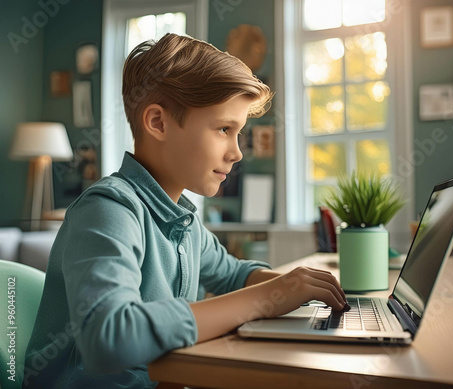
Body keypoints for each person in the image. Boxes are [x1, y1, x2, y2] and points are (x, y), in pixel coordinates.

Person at [23, 33, 348, 389]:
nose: (237, 152)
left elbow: (235, 275)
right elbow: (109, 337)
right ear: (158, 122)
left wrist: (298, 286)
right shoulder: (108, 210)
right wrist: (266, 301)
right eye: (224, 129)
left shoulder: (183, 220)